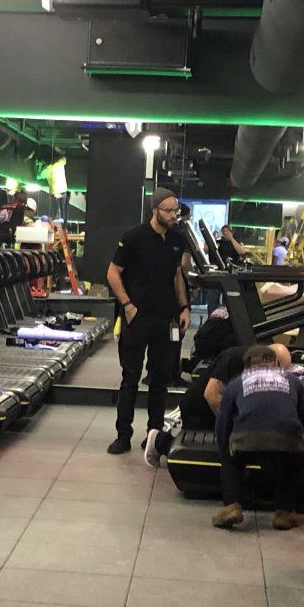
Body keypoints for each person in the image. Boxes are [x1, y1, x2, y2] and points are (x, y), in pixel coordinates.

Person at [106, 192, 190, 458]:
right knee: (130, 378)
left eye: (175, 210)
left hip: (165, 319)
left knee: (159, 381)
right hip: (137, 318)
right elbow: (112, 272)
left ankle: (153, 435)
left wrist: (184, 306)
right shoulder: (133, 237)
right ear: (155, 210)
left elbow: (177, 275)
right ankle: (123, 435)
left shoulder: (177, 240)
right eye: (168, 210)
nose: (173, 215)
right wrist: (128, 305)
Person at [212, 343, 304, 531]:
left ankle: (232, 505)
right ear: (277, 363)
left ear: (246, 367)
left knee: (232, 459)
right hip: (287, 441)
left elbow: (222, 429)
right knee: (289, 461)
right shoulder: (293, 381)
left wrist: (226, 453)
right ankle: (284, 512)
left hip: (246, 440)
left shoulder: (236, 383)